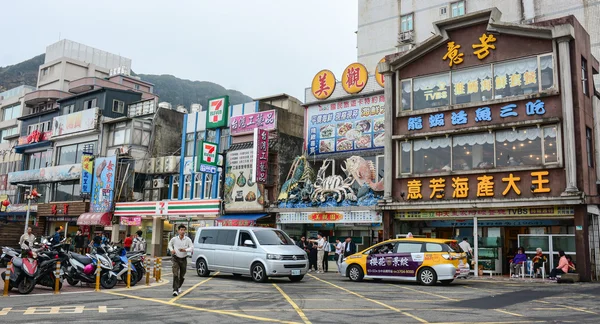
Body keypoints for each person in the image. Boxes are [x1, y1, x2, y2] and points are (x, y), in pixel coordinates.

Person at [168, 224, 193, 297]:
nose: (182, 231)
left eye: (184, 230)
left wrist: (185, 250)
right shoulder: (174, 239)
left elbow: (191, 247)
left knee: (182, 275)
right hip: (175, 258)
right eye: (181, 230)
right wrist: (172, 250)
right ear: (178, 231)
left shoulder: (188, 239)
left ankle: (178, 286)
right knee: (175, 274)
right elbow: (169, 244)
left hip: (184, 258)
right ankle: (175, 290)